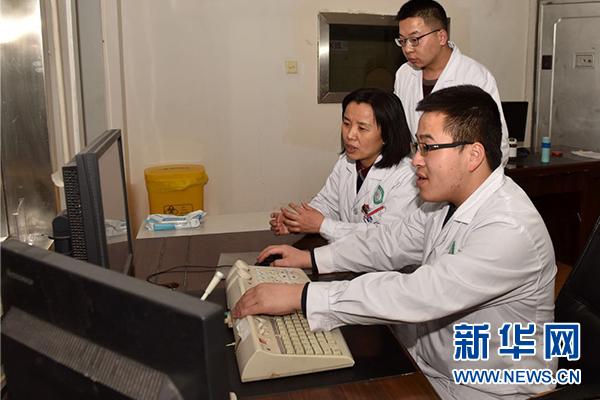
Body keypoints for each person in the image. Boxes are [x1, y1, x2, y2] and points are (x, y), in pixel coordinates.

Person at [234, 85, 557, 399]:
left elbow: (420, 292)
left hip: (488, 390)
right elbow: (388, 242)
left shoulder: (509, 228)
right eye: (418, 146)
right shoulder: (441, 204)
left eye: (428, 147)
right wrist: (311, 260)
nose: (416, 160)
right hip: (429, 365)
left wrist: (303, 297)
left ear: (473, 155)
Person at [270, 88, 419, 243]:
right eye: (346, 123)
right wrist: (297, 220)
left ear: (387, 135)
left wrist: (323, 226)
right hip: (345, 249)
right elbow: (328, 203)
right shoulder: (346, 162)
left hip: (380, 256)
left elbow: (387, 238)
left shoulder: (407, 178)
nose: (349, 135)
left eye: (362, 128)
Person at [393, 0, 510, 166]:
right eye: (402, 41)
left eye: (414, 39)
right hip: (417, 171)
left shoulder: (475, 76)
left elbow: (497, 145)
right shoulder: (404, 74)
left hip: (462, 176)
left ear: (441, 37)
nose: (407, 49)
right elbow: (401, 135)